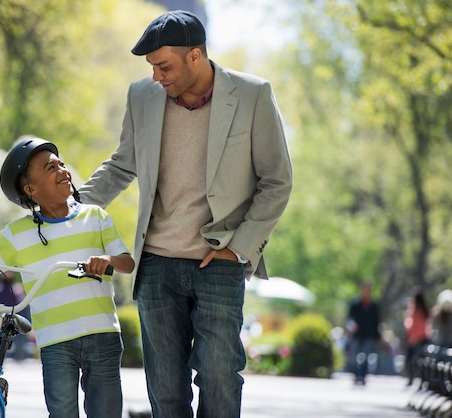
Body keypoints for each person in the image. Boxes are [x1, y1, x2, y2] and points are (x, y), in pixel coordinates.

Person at [78, 10, 292, 418]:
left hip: (220, 262)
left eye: (164, 66)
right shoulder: (141, 96)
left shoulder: (252, 95)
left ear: (195, 56)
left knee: (220, 378)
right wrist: (70, 209)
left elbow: (277, 180)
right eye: (152, 68)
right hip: (155, 265)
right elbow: (123, 165)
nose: (157, 77)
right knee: (166, 391)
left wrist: (240, 248)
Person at [0, 136, 135, 418]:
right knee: (62, 413)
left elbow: (127, 263)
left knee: (106, 413)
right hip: (55, 342)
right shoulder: (18, 233)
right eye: (50, 167)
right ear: (31, 189)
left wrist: (107, 260)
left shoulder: (95, 216)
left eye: (61, 163)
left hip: (102, 334)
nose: (63, 170)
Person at [0, 271, 32, 361]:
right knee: (19, 339)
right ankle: (18, 357)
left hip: (2, 317)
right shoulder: (17, 289)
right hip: (15, 317)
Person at [346, 282, 381, 386]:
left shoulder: (374, 306)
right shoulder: (355, 305)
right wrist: (351, 326)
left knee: (366, 356)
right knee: (354, 357)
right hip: (357, 335)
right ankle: (356, 375)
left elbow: (376, 322)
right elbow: (349, 319)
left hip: (369, 335)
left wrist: (377, 337)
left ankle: (362, 376)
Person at [403, 289, 431, 386]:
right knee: (422, 361)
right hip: (424, 338)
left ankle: (412, 378)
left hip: (415, 339)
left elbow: (411, 325)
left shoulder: (415, 311)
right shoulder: (425, 311)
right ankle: (423, 380)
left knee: (410, 361)